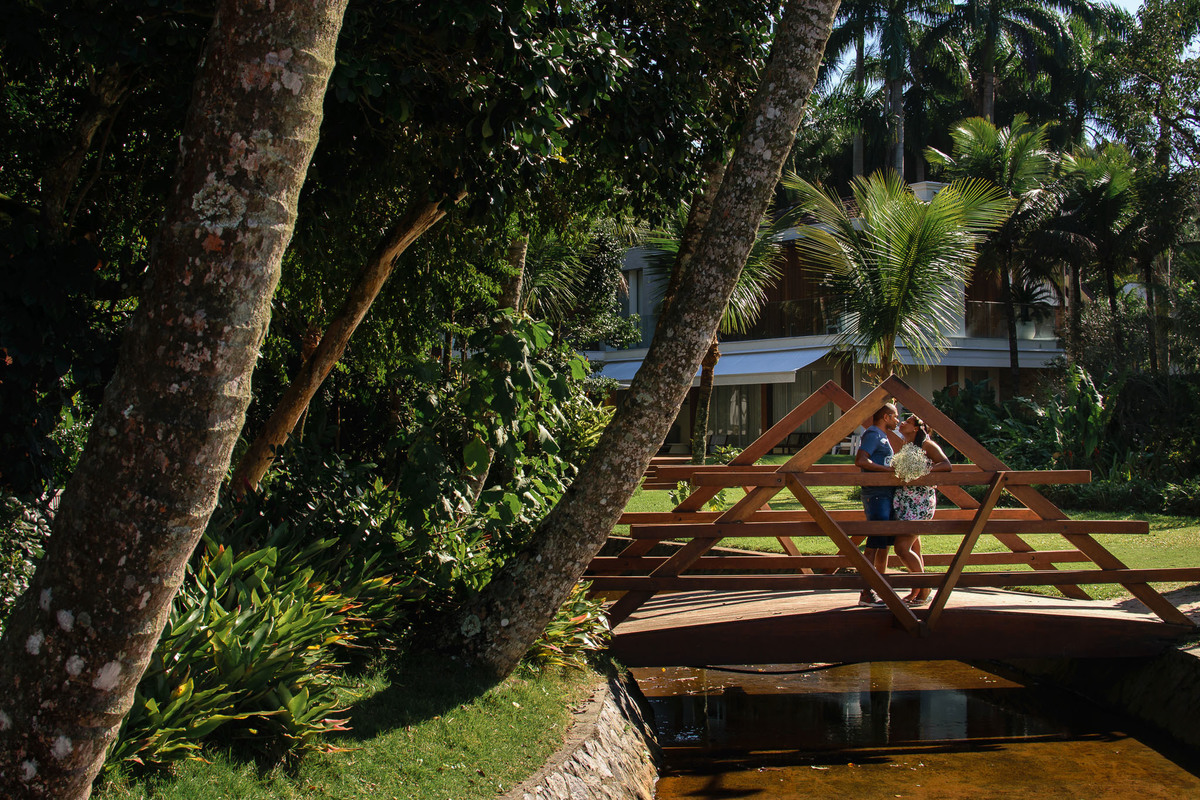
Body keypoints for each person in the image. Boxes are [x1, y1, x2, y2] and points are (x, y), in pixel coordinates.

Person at [892, 415, 952, 607]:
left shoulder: (927, 445)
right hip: (905, 500)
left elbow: (946, 464)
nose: (902, 423)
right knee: (914, 547)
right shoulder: (907, 445)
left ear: (916, 428)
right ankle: (917, 589)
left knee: (902, 548)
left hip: (919, 502)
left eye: (907, 422)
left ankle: (925, 589)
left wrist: (922, 474)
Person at [854, 403, 899, 607]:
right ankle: (866, 592)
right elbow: (861, 460)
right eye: (895, 416)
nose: (897, 421)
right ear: (886, 417)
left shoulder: (882, 435)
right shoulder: (873, 434)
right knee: (873, 544)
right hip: (876, 495)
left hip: (885, 494)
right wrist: (888, 471)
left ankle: (881, 589)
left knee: (883, 544)